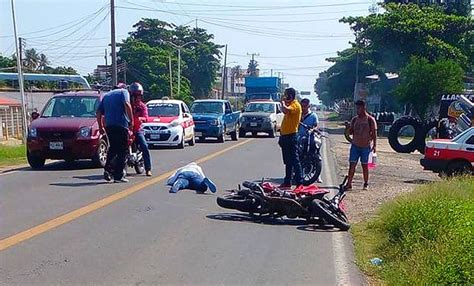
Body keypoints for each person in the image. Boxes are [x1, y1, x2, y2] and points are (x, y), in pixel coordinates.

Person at [96, 85, 134, 183]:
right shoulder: (124, 92)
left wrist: (100, 127)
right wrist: (131, 121)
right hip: (121, 125)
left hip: (109, 125)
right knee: (123, 150)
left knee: (112, 149)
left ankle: (107, 170)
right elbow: (127, 104)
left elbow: (99, 112)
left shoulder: (106, 95)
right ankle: (118, 176)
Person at [345, 100, 377, 191]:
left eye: (359, 108)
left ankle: (366, 183)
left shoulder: (370, 120)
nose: (357, 110)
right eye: (357, 108)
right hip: (355, 146)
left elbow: (374, 133)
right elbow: (350, 132)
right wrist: (347, 128)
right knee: (352, 165)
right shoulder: (355, 119)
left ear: (364, 108)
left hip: (365, 147)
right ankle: (349, 184)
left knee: (365, 166)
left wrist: (374, 146)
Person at [278, 88, 303, 188]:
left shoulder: (295, 105)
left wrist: (283, 103)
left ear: (291, 96)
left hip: (291, 136)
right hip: (285, 136)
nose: (285, 97)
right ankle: (287, 181)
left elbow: (286, 110)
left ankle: (299, 182)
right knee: (288, 161)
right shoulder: (290, 105)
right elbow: (284, 111)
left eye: (286, 95)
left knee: (295, 160)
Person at [129, 82, 152, 177]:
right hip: (127, 130)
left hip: (137, 130)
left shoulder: (142, 106)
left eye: (138, 96)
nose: (137, 98)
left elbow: (146, 117)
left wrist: (140, 119)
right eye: (135, 96)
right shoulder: (127, 105)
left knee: (144, 146)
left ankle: (148, 169)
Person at [298, 98, 322, 183]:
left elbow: (316, 125)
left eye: (305, 106)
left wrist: (313, 129)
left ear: (309, 106)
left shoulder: (313, 115)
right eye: (302, 106)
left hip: (310, 137)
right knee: (296, 153)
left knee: (317, 150)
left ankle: (318, 175)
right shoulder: (298, 115)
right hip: (300, 137)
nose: (303, 108)